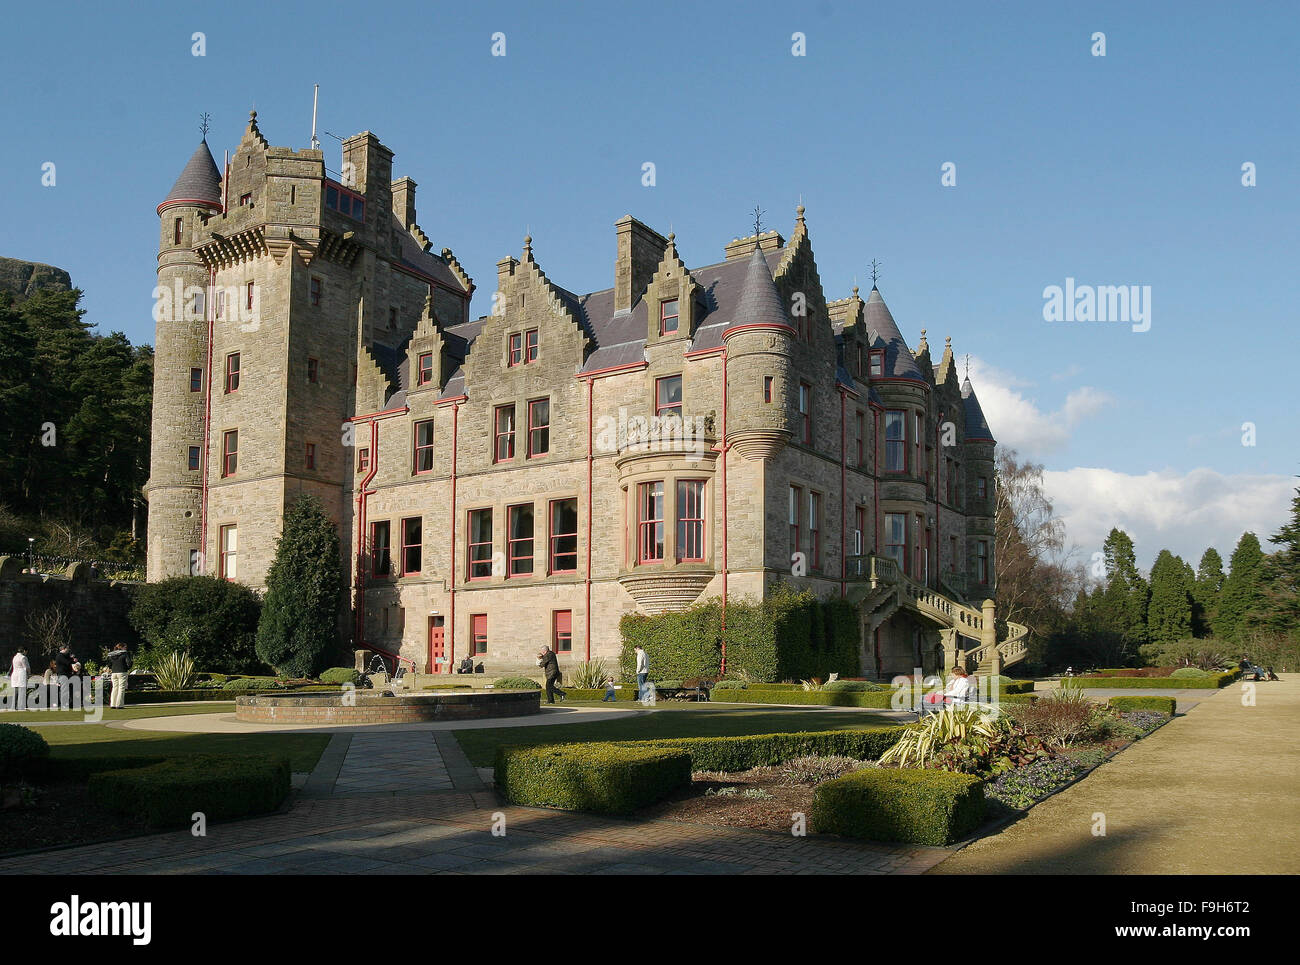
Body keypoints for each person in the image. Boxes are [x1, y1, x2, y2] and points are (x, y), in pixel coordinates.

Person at [105, 642, 133, 709]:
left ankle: (113, 704)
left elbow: (109, 664)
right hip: (122, 672)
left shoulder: (112, 654)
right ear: (122, 647)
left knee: (115, 688)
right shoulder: (125, 654)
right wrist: (128, 667)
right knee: (121, 688)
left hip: (114, 673)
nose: (126, 648)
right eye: (125, 647)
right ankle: (119, 705)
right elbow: (129, 663)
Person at [53, 644, 80, 710]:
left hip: (68, 675)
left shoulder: (65, 655)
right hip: (63, 675)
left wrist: (73, 659)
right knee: (64, 690)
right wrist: (73, 660)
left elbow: (70, 660)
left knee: (70, 689)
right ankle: (63, 704)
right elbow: (67, 662)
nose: (68, 650)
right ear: (64, 649)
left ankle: (70, 703)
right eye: (67, 649)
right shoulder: (59, 656)